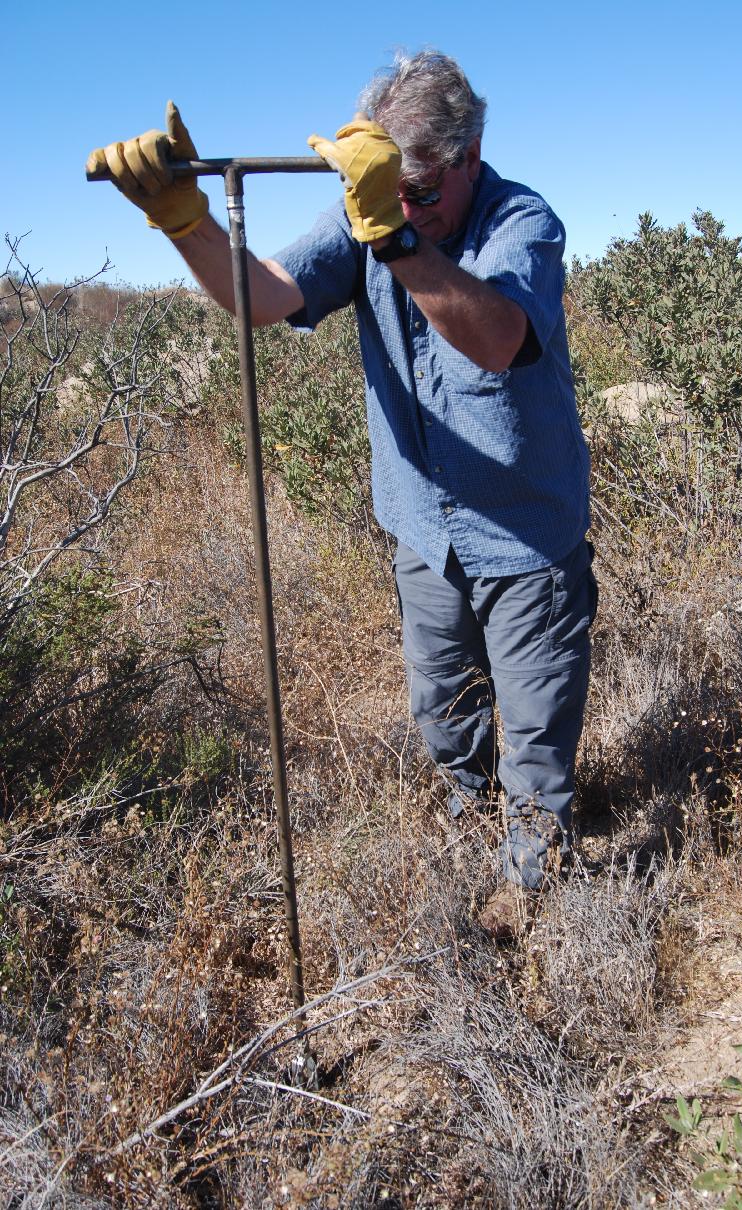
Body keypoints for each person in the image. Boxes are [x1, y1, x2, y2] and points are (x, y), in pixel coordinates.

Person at [87, 51, 597, 939]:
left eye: (424, 190)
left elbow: (502, 339)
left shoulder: (521, 221)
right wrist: (183, 221)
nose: (408, 207)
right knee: (445, 721)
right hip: (425, 533)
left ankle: (538, 899)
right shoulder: (373, 210)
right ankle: (464, 831)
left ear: (472, 153)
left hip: (526, 538)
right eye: (389, 191)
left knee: (537, 742)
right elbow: (261, 297)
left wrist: (393, 240)